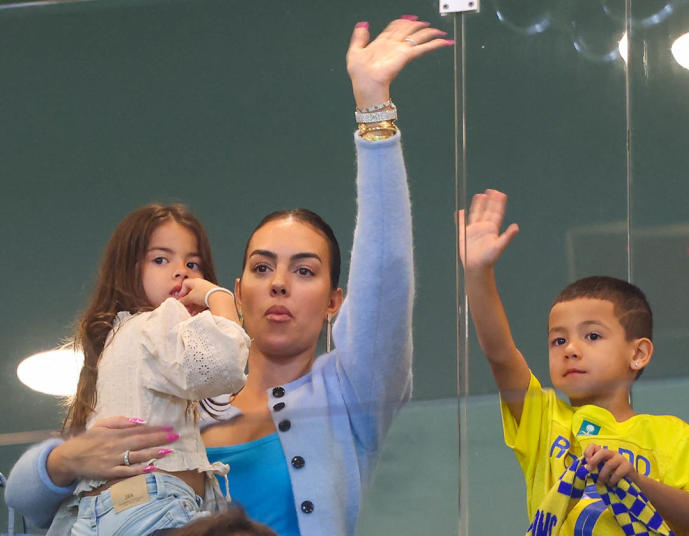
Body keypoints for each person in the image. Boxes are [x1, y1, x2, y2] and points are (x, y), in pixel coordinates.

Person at [5, 16, 451, 536]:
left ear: (335, 302)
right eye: (262, 267)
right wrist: (64, 462)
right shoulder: (180, 382)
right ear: (234, 294)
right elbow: (25, 499)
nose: (279, 282)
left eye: (304, 271)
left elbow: (386, 277)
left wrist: (374, 111)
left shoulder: (349, 394)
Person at [459, 189, 689, 536]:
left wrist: (633, 479)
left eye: (592, 336)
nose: (570, 349)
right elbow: (500, 354)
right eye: (558, 340)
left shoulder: (674, 436)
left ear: (638, 353)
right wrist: (479, 274)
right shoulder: (544, 420)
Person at [55, 203, 248, 535]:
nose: (181, 272)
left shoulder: (118, 339)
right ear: (129, 270)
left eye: (193, 264)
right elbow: (226, 363)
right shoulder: (157, 323)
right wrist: (220, 298)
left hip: (104, 516)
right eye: (161, 259)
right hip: (152, 510)